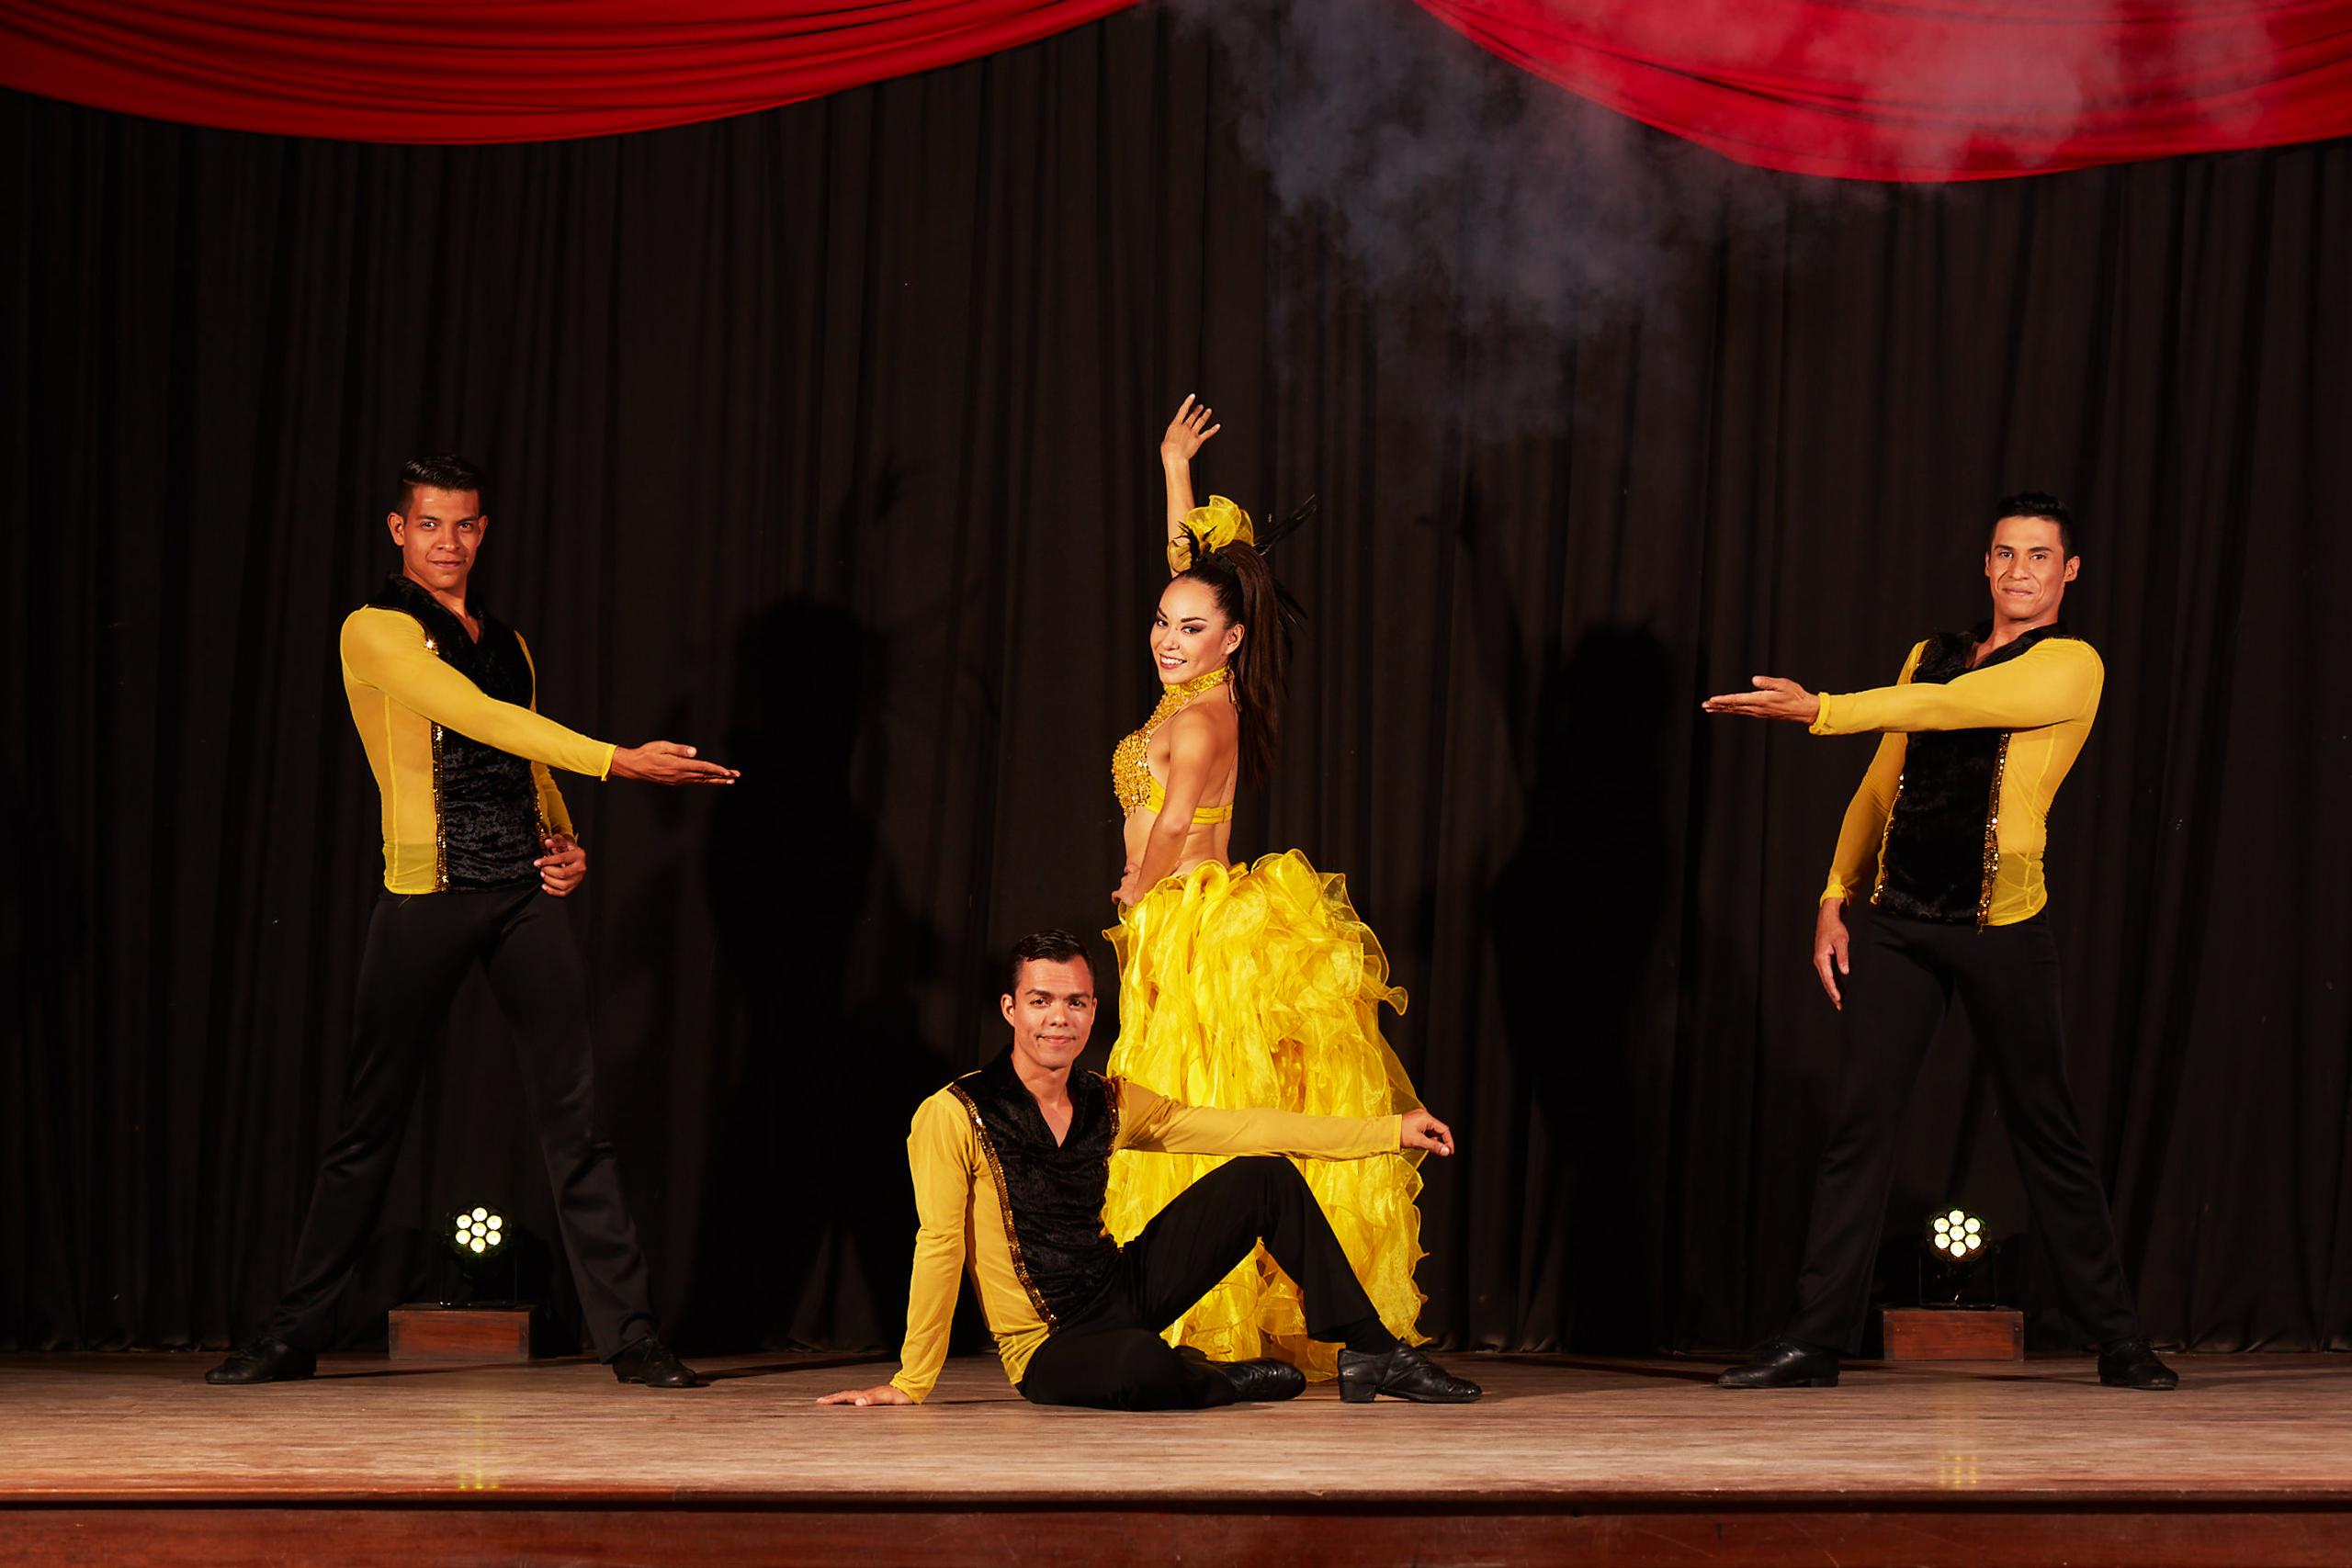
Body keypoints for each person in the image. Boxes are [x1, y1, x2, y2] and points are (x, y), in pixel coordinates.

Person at [207, 454, 738, 1390]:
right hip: (429, 896)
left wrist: (565, 840)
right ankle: (289, 1332)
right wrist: (619, 763)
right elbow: (479, 718)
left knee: (578, 1120)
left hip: (523, 896)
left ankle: (632, 1337)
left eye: (466, 526)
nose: (449, 543)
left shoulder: (506, 637)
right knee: (369, 1124)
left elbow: (521, 757)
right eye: (431, 525)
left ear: (482, 531)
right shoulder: (373, 631)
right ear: (397, 530)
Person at [1702, 493, 2176, 1392]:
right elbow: (1887, 778)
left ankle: (2116, 1336)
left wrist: (1821, 709)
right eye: (2005, 554)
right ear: (1986, 565)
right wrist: (1833, 893)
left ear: (2067, 573)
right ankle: (1813, 1340)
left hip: (2003, 927)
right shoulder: (1930, 657)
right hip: (1903, 922)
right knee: (1858, 1127)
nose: (2019, 571)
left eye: (2039, 557)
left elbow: (1955, 709)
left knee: (2047, 1130)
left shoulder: (2072, 665)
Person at [1093, 397, 1428, 1379]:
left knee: (1191, 1099)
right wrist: (1171, 471)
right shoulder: (1191, 683)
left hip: (1189, 926)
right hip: (1178, 924)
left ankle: (1215, 1317)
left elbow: (1165, 820)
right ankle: (1199, 1300)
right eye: (1162, 623)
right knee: (1182, 1102)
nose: (1167, 635)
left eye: (1190, 628)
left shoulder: (1200, 722)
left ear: (1230, 640)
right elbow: (1187, 571)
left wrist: (1129, 889)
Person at [819, 932, 1481, 1410]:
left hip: (1120, 1291)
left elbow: (1243, 1125)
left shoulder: (1109, 1098)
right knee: (1141, 1362)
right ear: (1010, 1009)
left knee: (1262, 1174)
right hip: (1047, 1345)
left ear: (1092, 1011)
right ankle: (1221, 1379)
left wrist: (1388, 1131)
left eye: (1076, 1002)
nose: (1059, 1017)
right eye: (1042, 1000)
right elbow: (939, 1243)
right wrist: (912, 1379)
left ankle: (1372, 1351)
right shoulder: (954, 1111)